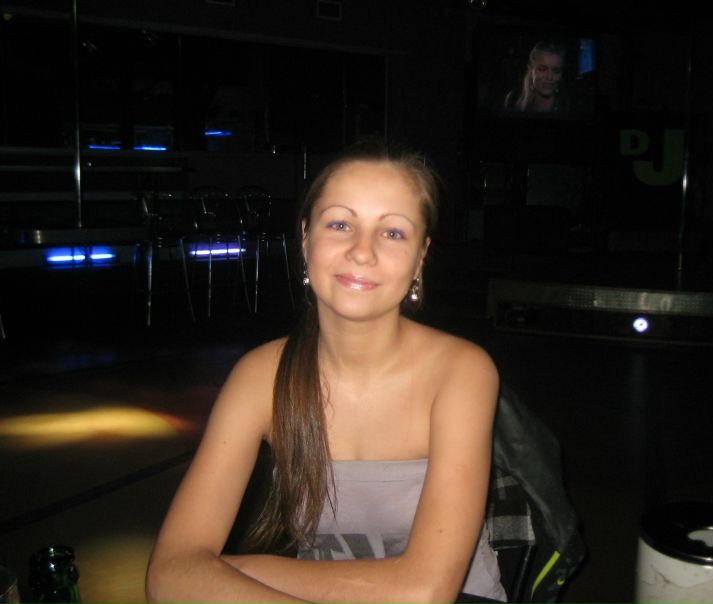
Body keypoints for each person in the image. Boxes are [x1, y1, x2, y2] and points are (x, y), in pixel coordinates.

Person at [145, 141, 506, 603]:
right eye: (339, 224)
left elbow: (425, 591)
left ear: (421, 256)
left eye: (392, 232)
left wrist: (237, 571)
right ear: (305, 238)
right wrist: (206, 573)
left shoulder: (461, 371)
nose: (362, 251)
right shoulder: (260, 377)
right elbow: (169, 575)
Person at [505, 41, 565, 113]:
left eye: (556, 71)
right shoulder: (514, 100)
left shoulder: (569, 106)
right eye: (542, 69)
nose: (549, 77)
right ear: (530, 70)